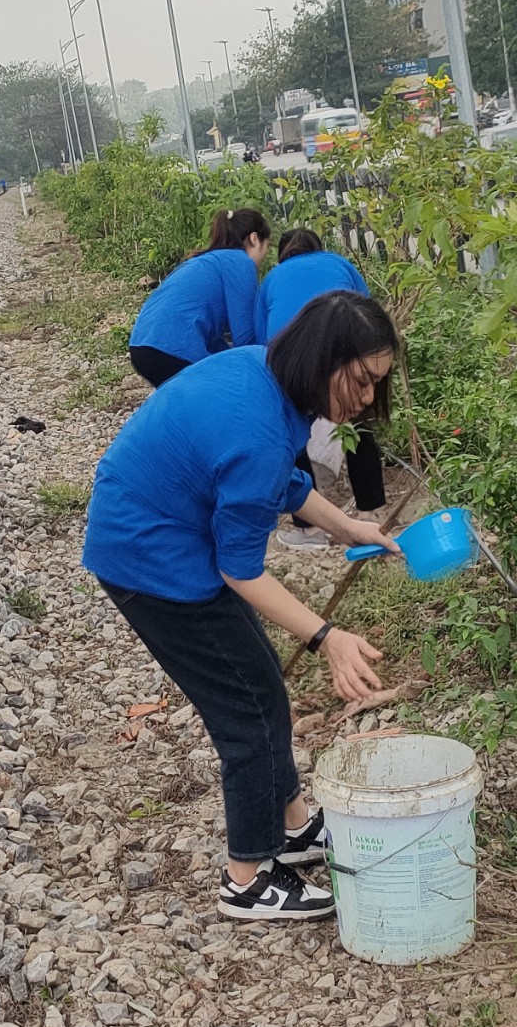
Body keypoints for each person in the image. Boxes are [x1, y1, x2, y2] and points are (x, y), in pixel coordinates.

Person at [83, 292, 400, 920]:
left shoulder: (262, 373)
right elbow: (242, 572)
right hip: (152, 558)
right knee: (249, 710)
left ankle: (292, 825)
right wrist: (327, 636)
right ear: (322, 359)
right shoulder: (255, 426)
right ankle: (248, 878)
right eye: (361, 381)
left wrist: (347, 527)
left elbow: (278, 481)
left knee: (261, 692)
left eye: (376, 385)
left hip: (161, 532)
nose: (366, 399)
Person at [260, 229, 386, 528]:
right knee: (358, 422)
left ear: (282, 254)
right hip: (346, 346)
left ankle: (306, 526)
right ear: (319, 247)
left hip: (293, 357)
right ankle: (372, 509)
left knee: (293, 430)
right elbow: (366, 312)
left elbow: (255, 338)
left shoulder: (272, 278)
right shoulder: (339, 263)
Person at [125, 207, 268, 391]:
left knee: (192, 405)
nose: (263, 258)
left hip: (142, 345)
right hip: (173, 347)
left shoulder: (208, 260)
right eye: (267, 247)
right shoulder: (241, 262)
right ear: (255, 239)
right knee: (221, 399)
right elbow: (246, 340)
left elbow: (213, 341)